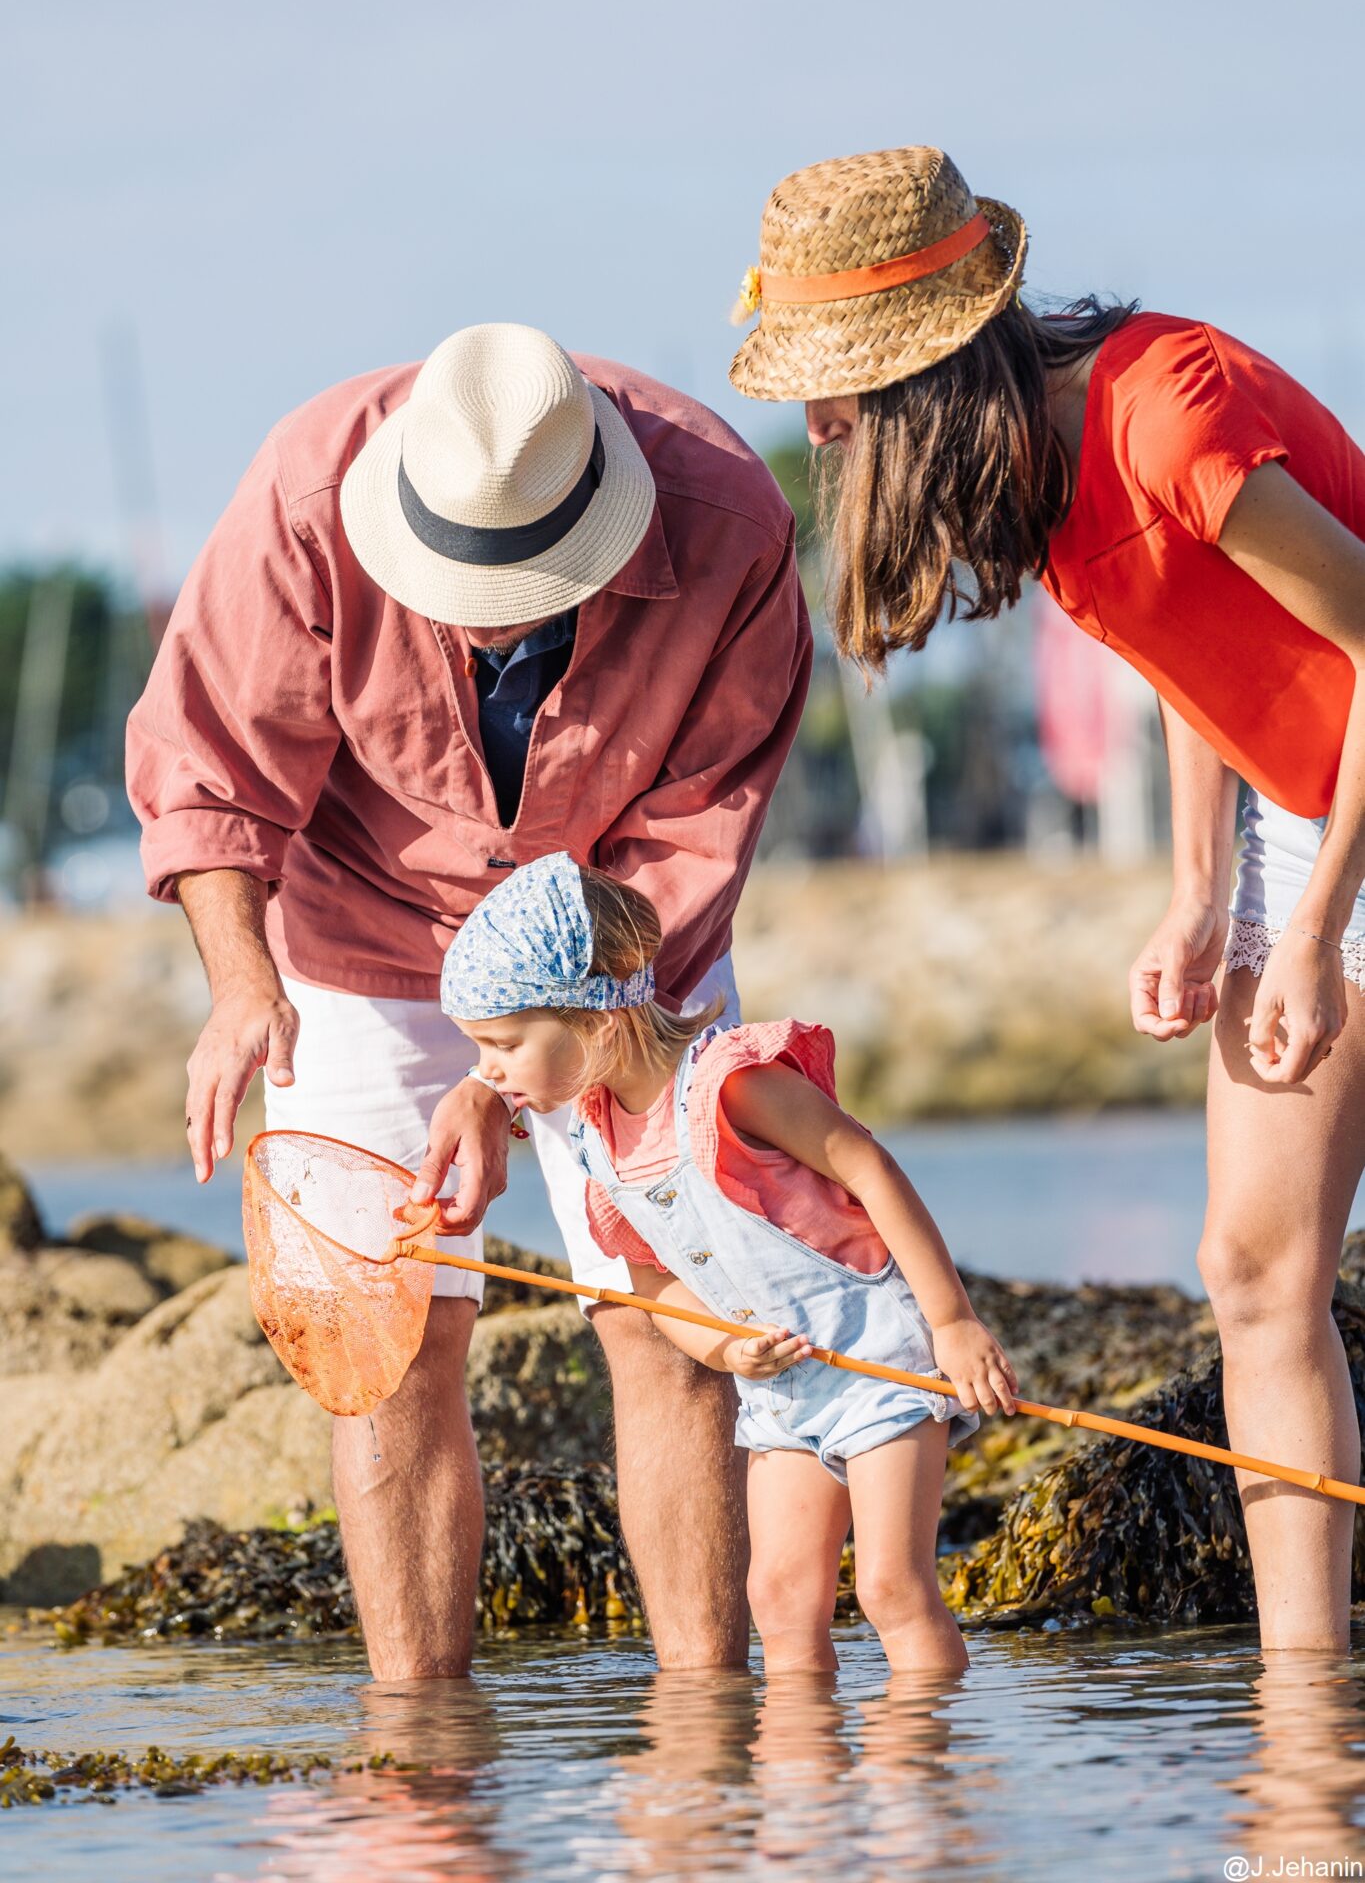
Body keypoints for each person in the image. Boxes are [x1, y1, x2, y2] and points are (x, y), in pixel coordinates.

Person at [729, 144, 1365, 1652]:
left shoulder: (1168, 416)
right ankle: (1305, 1706)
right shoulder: (1041, 469)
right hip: (1300, 814)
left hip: (1345, 808)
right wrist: (1198, 893)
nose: (818, 428)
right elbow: (1193, 654)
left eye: (838, 390)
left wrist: (1315, 930)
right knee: (1252, 1271)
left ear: (926, 371)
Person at [126, 321, 812, 1678]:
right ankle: (424, 1748)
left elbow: (688, 848)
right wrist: (242, 982)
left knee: (670, 1318)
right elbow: (209, 769)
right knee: (385, 1340)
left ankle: (704, 1735)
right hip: (358, 931)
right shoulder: (303, 497)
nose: (484, 610)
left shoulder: (731, 519)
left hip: (618, 951)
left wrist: (509, 1075)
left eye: (524, 582)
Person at [438, 849, 1016, 1673]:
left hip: (879, 1366)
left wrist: (951, 1321)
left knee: (891, 1587)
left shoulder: (730, 1083)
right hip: (780, 1393)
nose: (487, 1072)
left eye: (502, 1044)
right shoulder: (597, 1142)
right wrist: (721, 1347)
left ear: (597, 1020)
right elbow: (651, 1281)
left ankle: (920, 1752)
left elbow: (868, 1168)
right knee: (778, 1598)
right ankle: (797, 1757)